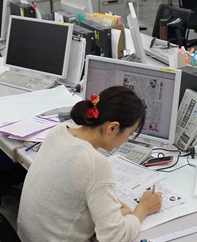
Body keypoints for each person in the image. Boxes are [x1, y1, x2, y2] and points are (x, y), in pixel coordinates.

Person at [17, 86, 162, 242]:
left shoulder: (60, 130)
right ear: (112, 128)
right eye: (130, 133)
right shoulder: (93, 163)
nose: (127, 140)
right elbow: (115, 237)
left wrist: (109, 209)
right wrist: (143, 209)